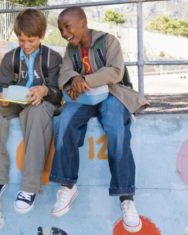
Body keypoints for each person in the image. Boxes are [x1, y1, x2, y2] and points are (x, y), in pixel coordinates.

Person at [49, 7, 149, 233]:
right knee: (64, 121)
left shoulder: (108, 41)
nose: (64, 33)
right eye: (61, 29)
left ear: (83, 22)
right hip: (86, 98)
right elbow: (64, 72)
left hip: (112, 93)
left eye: (68, 27)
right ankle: (67, 185)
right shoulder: (70, 49)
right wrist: (74, 78)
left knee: (116, 128)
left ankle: (126, 197)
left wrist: (84, 79)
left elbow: (115, 71)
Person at [0, 8, 62, 214]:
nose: (26, 45)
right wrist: (0, 97)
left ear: (41, 36)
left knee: (35, 113)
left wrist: (44, 90)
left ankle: (29, 187)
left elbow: (59, 94)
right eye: (21, 40)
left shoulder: (53, 58)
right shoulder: (10, 58)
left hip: (40, 104)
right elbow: (1, 89)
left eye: (31, 40)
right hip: (15, 103)